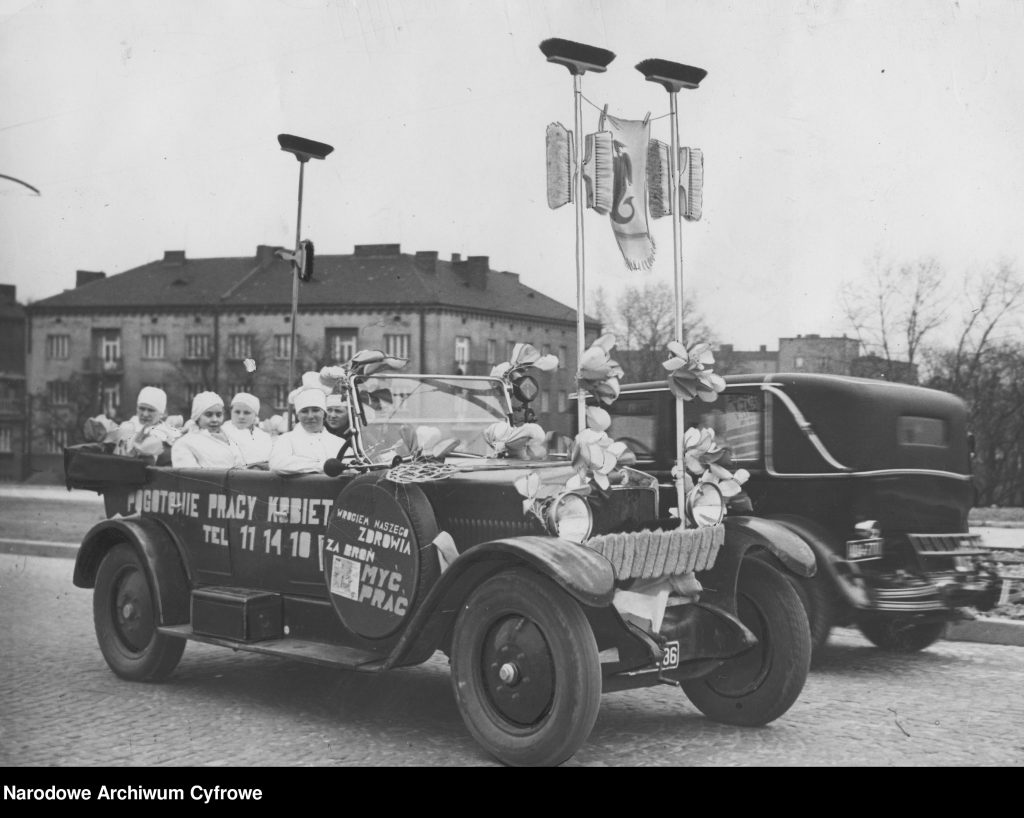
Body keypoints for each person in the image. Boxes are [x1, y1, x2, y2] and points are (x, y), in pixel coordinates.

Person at [268, 387, 345, 474]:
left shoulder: (340, 443)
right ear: (298, 416)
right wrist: (323, 465)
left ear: (324, 413)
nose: (310, 416)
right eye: (304, 411)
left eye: (315, 410)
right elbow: (277, 464)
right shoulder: (286, 439)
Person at [171, 391, 245, 469]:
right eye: (209, 415)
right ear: (197, 417)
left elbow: (240, 467)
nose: (215, 419)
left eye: (219, 415)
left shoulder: (229, 438)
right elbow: (189, 474)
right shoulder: (184, 443)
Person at [114, 386, 181, 465]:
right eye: (142, 408)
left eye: (151, 410)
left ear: (161, 413)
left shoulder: (169, 434)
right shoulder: (126, 428)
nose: (145, 414)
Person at [222, 391, 273, 467]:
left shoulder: (264, 437)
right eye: (237, 412)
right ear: (231, 412)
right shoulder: (222, 433)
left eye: (246, 413)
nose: (241, 416)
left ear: (255, 415)